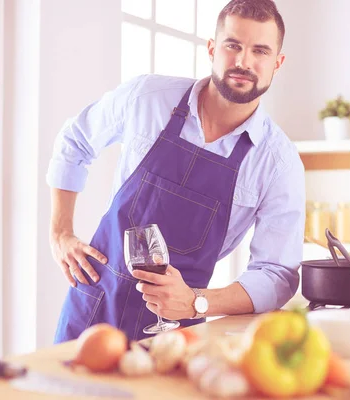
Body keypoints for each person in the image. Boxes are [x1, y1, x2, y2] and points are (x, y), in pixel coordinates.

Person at [48, 0, 305, 342]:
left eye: (260, 51)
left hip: (176, 331)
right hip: (93, 306)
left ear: (278, 63)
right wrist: (60, 232)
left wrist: (196, 302)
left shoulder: (278, 163)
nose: (244, 62)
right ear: (212, 49)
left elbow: (276, 274)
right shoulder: (147, 98)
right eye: (233, 45)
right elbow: (76, 140)